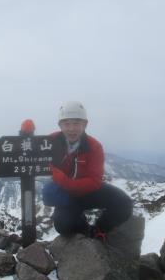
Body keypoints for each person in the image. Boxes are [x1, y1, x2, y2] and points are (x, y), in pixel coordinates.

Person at [42, 101, 133, 239]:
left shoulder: (94, 147)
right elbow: (32, 154)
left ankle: (100, 229)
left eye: (76, 123)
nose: (72, 128)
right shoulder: (51, 141)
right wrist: (25, 133)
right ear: (60, 125)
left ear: (85, 124)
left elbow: (95, 182)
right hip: (66, 196)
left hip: (88, 191)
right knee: (62, 225)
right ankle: (85, 230)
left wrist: (65, 181)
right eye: (66, 123)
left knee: (124, 203)